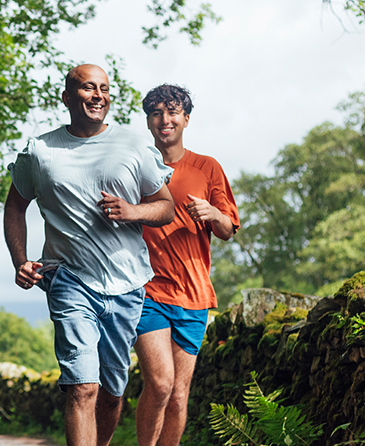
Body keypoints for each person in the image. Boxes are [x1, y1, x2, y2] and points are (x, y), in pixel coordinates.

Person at [2, 64, 175, 446]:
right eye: (87, 88)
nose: (98, 95)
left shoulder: (134, 146)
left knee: (112, 393)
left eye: (104, 88)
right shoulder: (40, 151)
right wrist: (20, 260)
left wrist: (133, 211)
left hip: (127, 285)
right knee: (82, 388)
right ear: (67, 98)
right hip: (68, 280)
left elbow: (165, 207)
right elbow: (15, 207)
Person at [133, 84, 239, 446]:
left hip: (194, 295)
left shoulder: (207, 167)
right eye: (157, 113)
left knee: (179, 393)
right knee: (160, 383)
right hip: (148, 289)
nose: (165, 120)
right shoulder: (135, 166)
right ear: (148, 121)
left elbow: (228, 229)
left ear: (186, 119)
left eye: (172, 112)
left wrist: (212, 213)